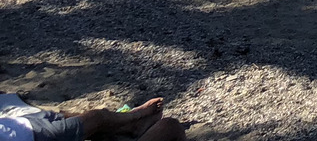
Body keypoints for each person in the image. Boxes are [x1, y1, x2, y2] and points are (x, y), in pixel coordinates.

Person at [0, 93, 185, 140]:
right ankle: (133, 118)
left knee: (61, 115)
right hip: (32, 134)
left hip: (24, 125)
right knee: (97, 118)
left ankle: (127, 123)